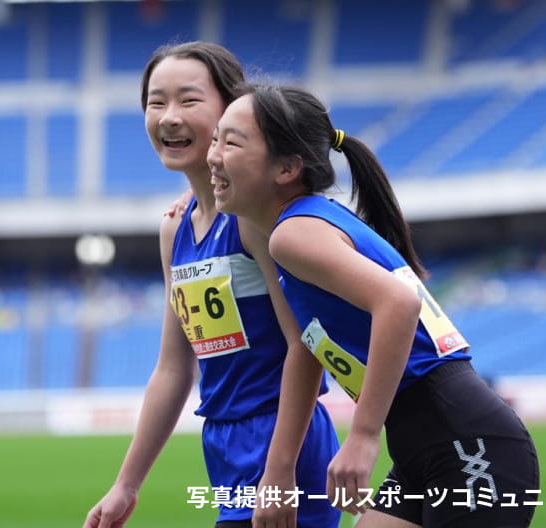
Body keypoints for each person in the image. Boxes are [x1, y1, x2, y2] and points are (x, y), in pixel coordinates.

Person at [207, 83, 540, 528]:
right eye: (215, 139)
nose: (213, 156)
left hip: (466, 446)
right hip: (429, 446)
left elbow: (399, 303)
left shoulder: (294, 234)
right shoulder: (303, 228)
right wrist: (279, 469)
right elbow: (307, 350)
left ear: (287, 167)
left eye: (231, 143)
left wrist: (362, 437)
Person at [83, 44, 340, 528]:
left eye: (189, 100)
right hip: (223, 446)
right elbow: (172, 368)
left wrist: (280, 468)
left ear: (233, 109)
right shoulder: (174, 227)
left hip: (284, 442)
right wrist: (126, 485)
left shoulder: (255, 219)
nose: (169, 117)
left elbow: (303, 345)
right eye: (156, 102)